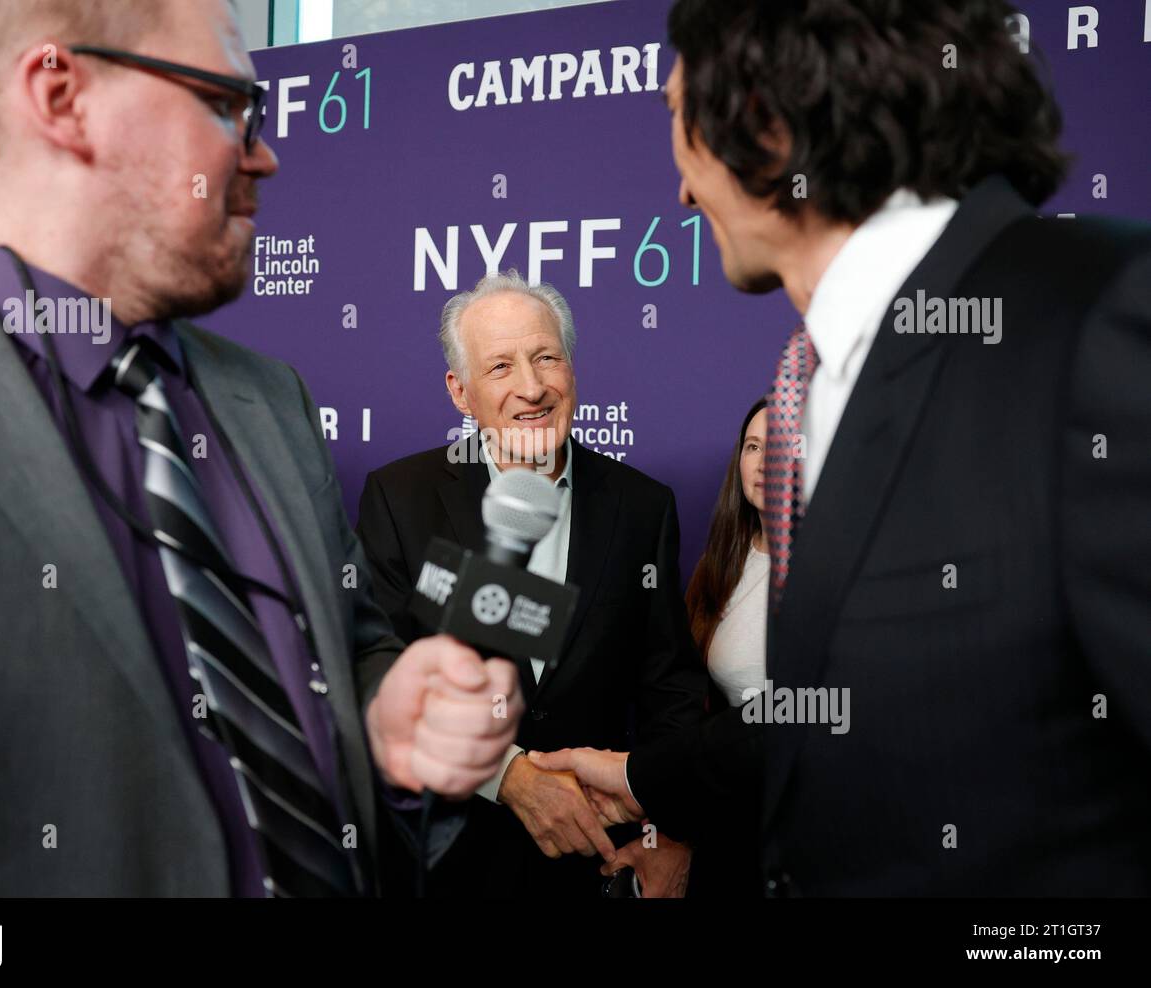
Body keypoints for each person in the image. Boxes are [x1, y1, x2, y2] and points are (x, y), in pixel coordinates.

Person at [0, 0, 522, 896]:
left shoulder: (269, 400)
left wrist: (383, 721)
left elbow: (351, 656)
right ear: (61, 96)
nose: (263, 152)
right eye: (224, 104)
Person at [531, 0, 1151, 896]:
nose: (679, 189)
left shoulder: (1107, 321)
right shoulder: (818, 382)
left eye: (678, 119)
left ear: (763, 122)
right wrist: (638, 777)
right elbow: (847, 704)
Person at [357, 271, 707, 897]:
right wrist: (509, 775)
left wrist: (666, 835)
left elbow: (669, 691)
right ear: (459, 391)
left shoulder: (641, 507)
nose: (532, 386)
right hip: (446, 860)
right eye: (500, 367)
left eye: (547, 357)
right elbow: (376, 669)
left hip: (596, 862)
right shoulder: (399, 499)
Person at [679, 396, 768, 897]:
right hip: (730, 814)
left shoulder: (840, 568)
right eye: (754, 445)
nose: (765, 460)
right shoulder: (722, 564)